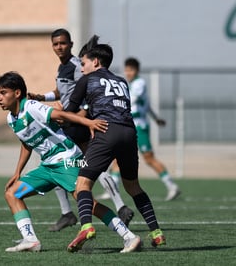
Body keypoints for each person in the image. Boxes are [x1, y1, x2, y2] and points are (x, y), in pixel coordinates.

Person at [0, 71, 141, 253]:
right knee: (12, 193)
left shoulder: (32, 107)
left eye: (3, 93)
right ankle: (30, 240)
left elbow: (61, 115)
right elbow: (26, 142)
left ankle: (129, 237)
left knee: (90, 204)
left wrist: (88, 123)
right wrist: (18, 171)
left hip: (67, 162)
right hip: (48, 167)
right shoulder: (11, 119)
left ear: (17, 93)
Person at [65, 36, 166, 252]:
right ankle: (156, 233)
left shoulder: (87, 80)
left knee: (82, 185)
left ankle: (86, 227)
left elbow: (69, 112)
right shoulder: (121, 81)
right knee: (133, 186)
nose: (82, 69)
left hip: (106, 131)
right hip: (130, 133)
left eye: (83, 63)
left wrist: (49, 113)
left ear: (96, 62)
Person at [28, 28, 134, 231]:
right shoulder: (63, 68)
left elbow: (88, 91)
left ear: (70, 44)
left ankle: (77, 212)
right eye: (55, 44)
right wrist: (42, 97)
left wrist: (82, 116)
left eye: (63, 43)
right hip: (69, 119)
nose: (59, 47)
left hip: (76, 122)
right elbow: (62, 91)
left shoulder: (78, 66)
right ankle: (108, 207)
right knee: (67, 163)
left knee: (73, 163)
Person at [99, 57, 181, 201]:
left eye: (130, 70)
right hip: (128, 126)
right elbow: (147, 105)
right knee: (117, 158)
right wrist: (156, 118)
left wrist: (113, 103)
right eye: (126, 69)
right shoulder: (128, 84)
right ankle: (111, 191)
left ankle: (171, 186)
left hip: (139, 127)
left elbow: (134, 100)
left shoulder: (139, 83)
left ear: (136, 70)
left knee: (149, 158)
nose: (128, 72)